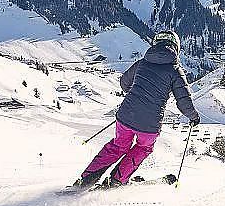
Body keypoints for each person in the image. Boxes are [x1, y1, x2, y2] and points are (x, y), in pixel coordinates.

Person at [72, 30, 200, 189]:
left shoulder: (142, 63)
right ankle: (117, 180)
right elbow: (184, 102)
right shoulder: (174, 70)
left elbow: (124, 83)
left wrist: (137, 94)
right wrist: (194, 117)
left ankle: (86, 179)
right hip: (149, 125)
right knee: (143, 148)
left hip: (126, 115)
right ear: (176, 47)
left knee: (118, 146)